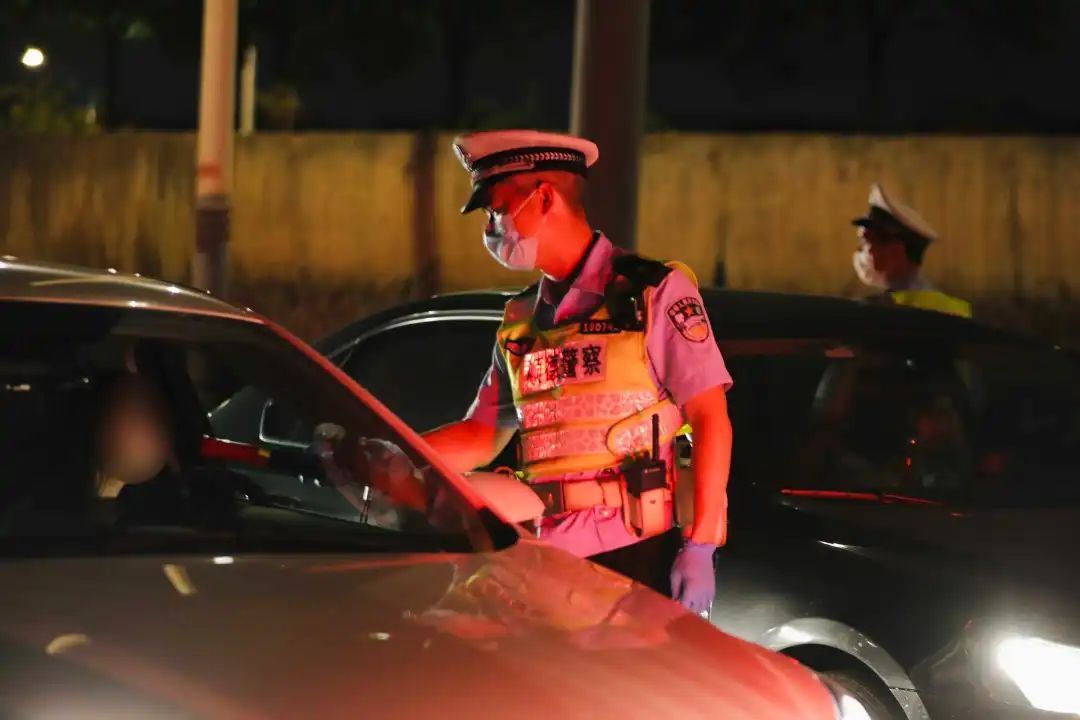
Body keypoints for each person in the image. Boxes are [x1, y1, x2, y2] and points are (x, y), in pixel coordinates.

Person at [423, 130, 733, 613]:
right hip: (542, 563)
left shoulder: (651, 293)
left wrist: (700, 546)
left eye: (498, 210)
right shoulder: (521, 319)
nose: (491, 227)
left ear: (544, 198)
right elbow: (482, 434)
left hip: (635, 559)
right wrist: (397, 451)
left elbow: (710, 416)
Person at [851, 183, 972, 318]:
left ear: (895, 252)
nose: (861, 251)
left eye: (866, 242)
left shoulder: (882, 313)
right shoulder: (954, 309)